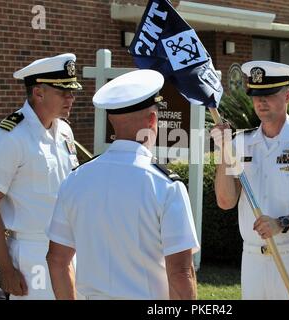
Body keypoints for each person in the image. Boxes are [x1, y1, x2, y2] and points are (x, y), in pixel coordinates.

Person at [46, 69, 200, 300]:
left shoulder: (75, 180)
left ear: (111, 120)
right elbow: (180, 272)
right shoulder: (166, 185)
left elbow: (57, 260)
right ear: (152, 120)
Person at [211, 61, 289, 300]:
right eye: (256, 95)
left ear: (288, 95)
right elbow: (226, 201)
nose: (261, 102)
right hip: (252, 261)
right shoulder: (241, 142)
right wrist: (223, 152)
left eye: (269, 95)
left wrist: (283, 223)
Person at [0, 53, 82, 300]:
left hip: (68, 249)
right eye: (63, 92)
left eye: (73, 91)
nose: (71, 98)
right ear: (38, 93)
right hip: (32, 253)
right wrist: (5, 269)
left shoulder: (64, 130)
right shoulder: (10, 137)